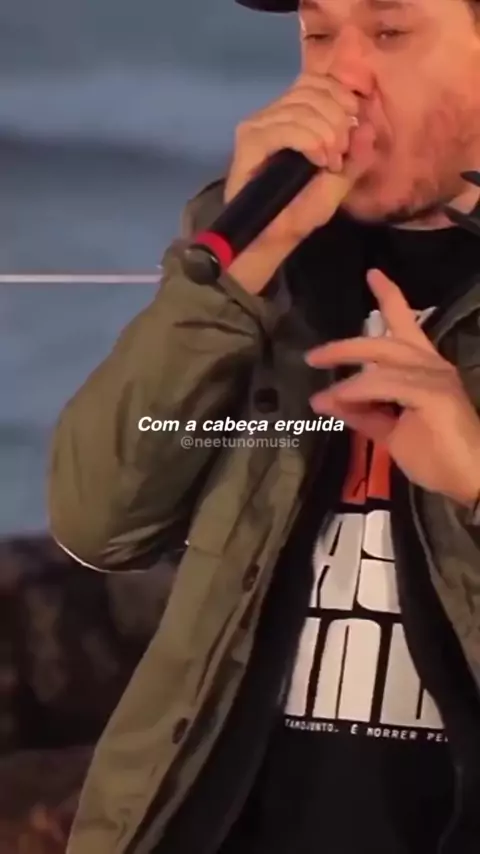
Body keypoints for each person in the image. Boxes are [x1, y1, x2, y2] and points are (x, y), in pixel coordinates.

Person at [48, 0, 480, 852]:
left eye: (390, 33)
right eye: (318, 35)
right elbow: (97, 520)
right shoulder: (260, 259)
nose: (342, 76)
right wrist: (231, 281)